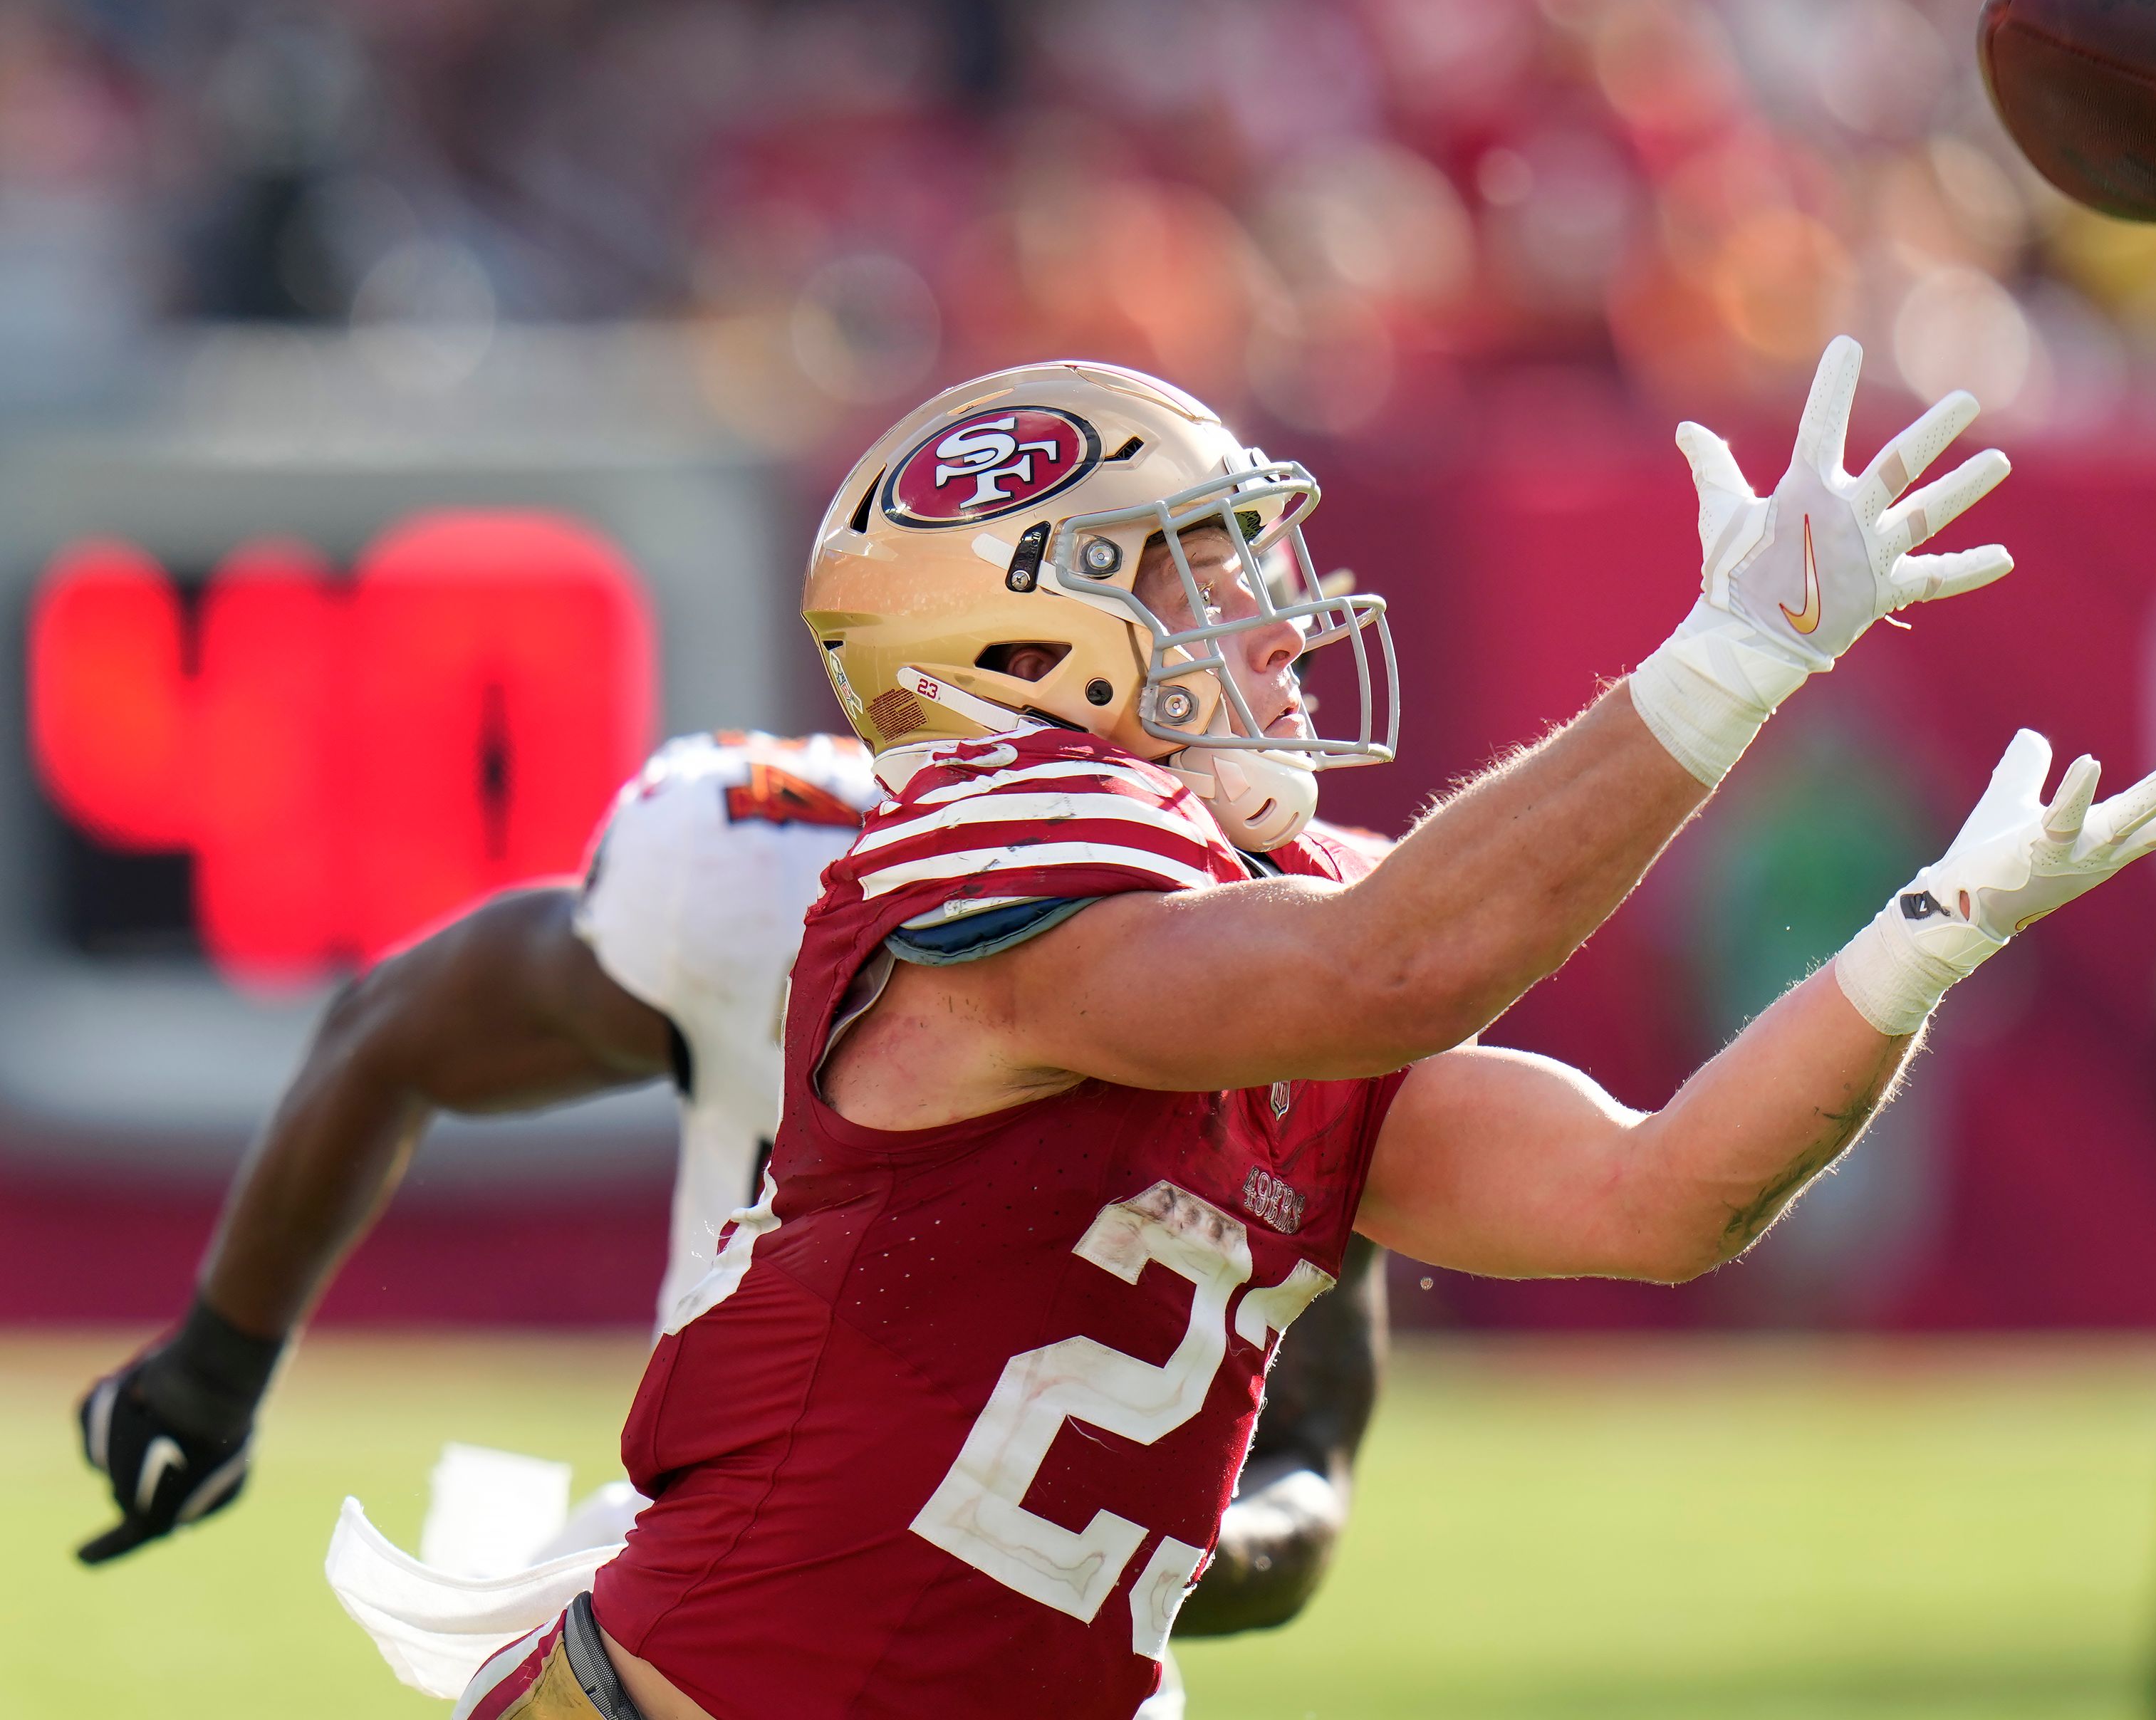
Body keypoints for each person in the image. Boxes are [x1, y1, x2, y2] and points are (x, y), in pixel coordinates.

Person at [438, 349, 2156, 1720]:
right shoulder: (988, 859)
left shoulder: (1268, 912)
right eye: (1199, 572)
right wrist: (1736, 655)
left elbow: (1657, 1194)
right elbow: (1386, 969)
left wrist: (1921, 945)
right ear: (1027, 640)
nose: (1276, 617)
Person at [71, 724, 1389, 1707]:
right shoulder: (784, 866)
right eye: (1195, 580)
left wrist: (1043, 1554)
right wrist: (209, 1375)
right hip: (706, 1604)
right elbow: (400, 1029)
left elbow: (1303, 1478)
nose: (1267, 646)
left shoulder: (1327, 952)